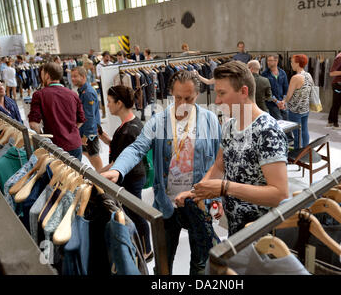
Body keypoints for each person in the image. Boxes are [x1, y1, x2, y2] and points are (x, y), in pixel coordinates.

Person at [101, 70, 221, 275]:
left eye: (189, 98)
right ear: (171, 94)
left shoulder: (209, 120)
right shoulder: (159, 121)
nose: (183, 102)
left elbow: (219, 160)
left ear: (197, 95)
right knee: (163, 263)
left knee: (201, 264)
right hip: (166, 205)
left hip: (198, 202)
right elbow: (137, 147)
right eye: (178, 97)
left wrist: (218, 196)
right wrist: (118, 169)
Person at [192, 60, 289, 236]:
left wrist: (225, 187)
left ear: (243, 91)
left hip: (262, 234)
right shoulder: (230, 126)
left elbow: (279, 194)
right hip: (236, 229)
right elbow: (219, 166)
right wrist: (197, 192)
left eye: (222, 93)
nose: (217, 100)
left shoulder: (267, 131)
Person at [98, 85, 152, 261]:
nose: (108, 105)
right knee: (133, 212)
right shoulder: (132, 124)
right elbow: (121, 150)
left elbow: (116, 163)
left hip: (131, 178)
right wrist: (106, 139)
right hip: (134, 175)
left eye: (109, 102)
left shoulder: (128, 130)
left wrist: (95, 173)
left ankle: (146, 250)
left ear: (119, 103)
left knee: (135, 213)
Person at [28, 62, 85, 160]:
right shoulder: (73, 94)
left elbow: (33, 124)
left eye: (42, 74)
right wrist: (70, 130)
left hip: (54, 146)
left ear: (47, 75)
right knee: (76, 175)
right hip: (75, 145)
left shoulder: (39, 95)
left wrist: (42, 137)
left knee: (57, 175)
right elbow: (81, 119)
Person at [71, 66, 103, 171]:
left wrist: (86, 135)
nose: (73, 79)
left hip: (89, 132)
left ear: (83, 77)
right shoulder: (82, 91)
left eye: (75, 76)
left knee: (93, 155)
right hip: (85, 131)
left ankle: (103, 179)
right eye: (72, 77)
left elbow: (89, 117)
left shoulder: (88, 93)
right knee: (87, 153)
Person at [278, 54, 313, 150]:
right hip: (305, 108)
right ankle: (305, 150)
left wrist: (283, 102)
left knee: (297, 134)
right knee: (305, 130)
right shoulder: (308, 75)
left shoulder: (296, 78)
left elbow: (289, 95)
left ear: (297, 63)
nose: (291, 64)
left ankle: (298, 153)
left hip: (295, 110)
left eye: (292, 62)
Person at [261, 54, 289, 121]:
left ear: (276, 61)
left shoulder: (282, 73)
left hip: (282, 102)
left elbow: (286, 88)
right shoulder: (265, 74)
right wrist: (277, 102)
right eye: (268, 61)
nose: (268, 62)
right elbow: (266, 91)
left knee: (286, 121)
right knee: (279, 121)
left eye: (270, 60)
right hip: (271, 103)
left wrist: (283, 101)